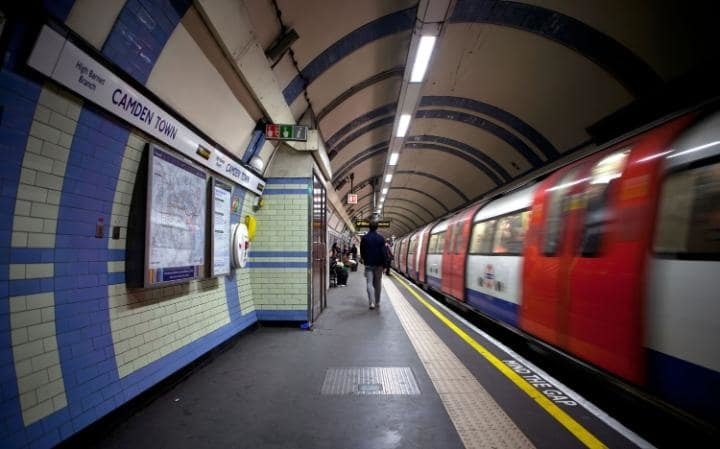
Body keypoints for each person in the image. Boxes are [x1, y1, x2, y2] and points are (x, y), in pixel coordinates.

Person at [360, 219, 386, 309]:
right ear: (377, 227)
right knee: (378, 283)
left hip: (368, 264)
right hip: (379, 265)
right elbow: (384, 253)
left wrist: (364, 259)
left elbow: (362, 251)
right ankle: (377, 302)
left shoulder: (364, 238)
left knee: (369, 283)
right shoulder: (381, 238)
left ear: (369, 227)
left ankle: (371, 303)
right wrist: (385, 265)